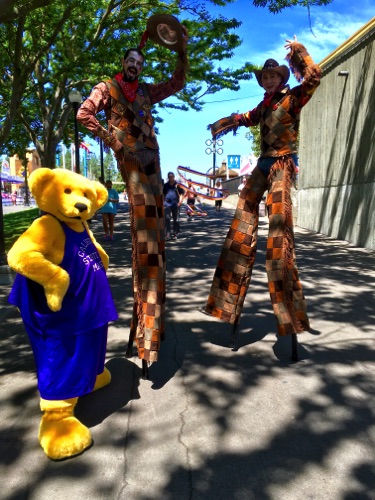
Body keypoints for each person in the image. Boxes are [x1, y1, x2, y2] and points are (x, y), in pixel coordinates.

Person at [77, 16, 188, 363]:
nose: (135, 65)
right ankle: (147, 324)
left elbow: (178, 82)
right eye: (131, 61)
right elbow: (84, 114)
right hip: (132, 164)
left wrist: (181, 52)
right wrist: (114, 142)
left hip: (154, 161)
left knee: (156, 240)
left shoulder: (145, 91)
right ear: (123, 62)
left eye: (139, 62)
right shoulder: (106, 88)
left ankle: (153, 319)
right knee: (146, 240)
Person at [204, 36, 321, 350]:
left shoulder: (293, 98)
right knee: (244, 209)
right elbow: (246, 118)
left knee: (279, 235)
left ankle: (290, 315)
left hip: (282, 164)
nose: (269, 80)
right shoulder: (265, 105)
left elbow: (313, 77)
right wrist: (224, 123)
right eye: (265, 77)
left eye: (273, 76)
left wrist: (298, 52)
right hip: (264, 164)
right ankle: (231, 283)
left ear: (282, 78)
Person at [163, 171, 184, 240]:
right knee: (167, 219)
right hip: (167, 205)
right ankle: (168, 234)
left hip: (176, 205)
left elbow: (181, 194)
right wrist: (163, 202)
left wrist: (180, 202)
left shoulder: (178, 185)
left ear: (174, 177)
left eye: (172, 176)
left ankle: (175, 234)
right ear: (168, 177)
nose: (170, 178)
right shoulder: (165, 185)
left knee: (176, 220)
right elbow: (163, 194)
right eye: (169, 177)